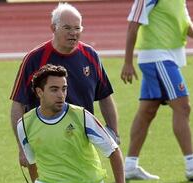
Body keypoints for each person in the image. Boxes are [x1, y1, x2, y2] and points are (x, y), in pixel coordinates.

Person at [120, 0, 193, 181]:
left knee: (147, 111)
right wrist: (127, 62)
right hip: (157, 57)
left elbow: (182, 20)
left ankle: (129, 166)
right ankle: (192, 164)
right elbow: (133, 25)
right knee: (183, 107)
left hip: (165, 57)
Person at [17, 64, 129, 183]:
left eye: (64, 89)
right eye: (54, 89)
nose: (61, 95)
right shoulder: (25, 125)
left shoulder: (81, 116)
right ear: (39, 92)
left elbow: (113, 150)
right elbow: (32, 162)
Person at [10, 2, 119, 168]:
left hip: (81, 143)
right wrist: (22, 147)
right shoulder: (35, 59)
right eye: (67, 28)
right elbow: (18, 103)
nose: (73, 33)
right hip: (45, 142)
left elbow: (104, 96)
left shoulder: (91, 56)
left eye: (77, 28)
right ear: (53, 28)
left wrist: (113, 131)